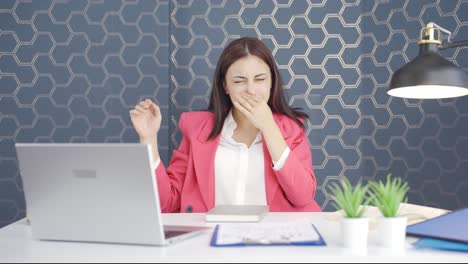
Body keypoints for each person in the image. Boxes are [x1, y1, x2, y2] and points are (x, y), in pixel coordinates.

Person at [130, 37, 321, 213]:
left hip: (274, 241)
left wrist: (269, 127)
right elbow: (166, 203)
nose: (251, 90)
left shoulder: (291, 129)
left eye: (260, 79)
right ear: (225, 86)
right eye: (239, 81)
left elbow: (302, 197)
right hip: (212, 242)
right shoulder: (196, 130)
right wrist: (148, 138)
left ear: (272, 82)